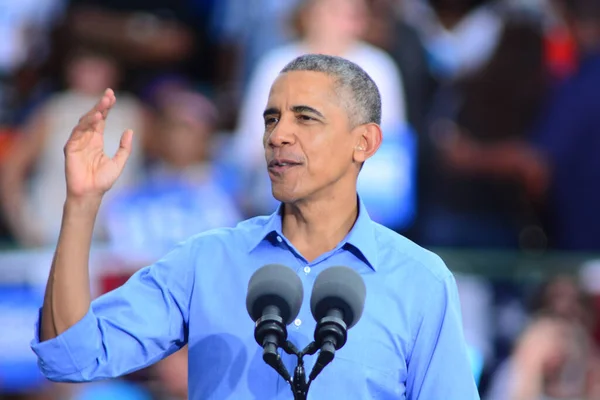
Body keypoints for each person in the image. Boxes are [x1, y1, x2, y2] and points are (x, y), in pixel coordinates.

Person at [30, 54, 478, 399]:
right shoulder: (204, 261)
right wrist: (82, 204)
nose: (277, 135)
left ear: (364, 142)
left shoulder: (421, 280)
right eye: (271, 118)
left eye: (305, 117)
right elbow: (69, 355)